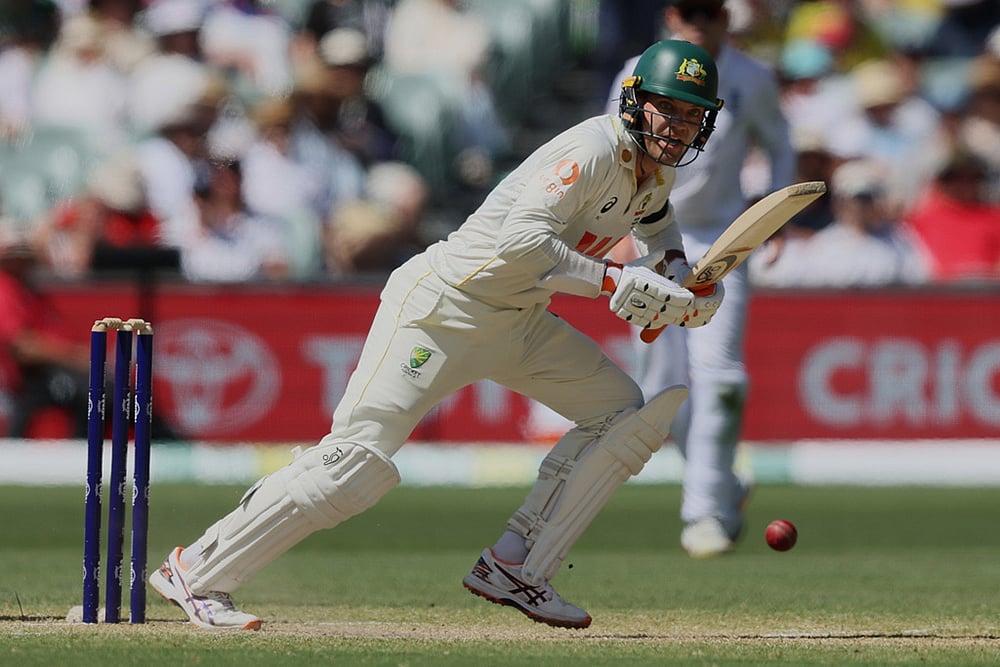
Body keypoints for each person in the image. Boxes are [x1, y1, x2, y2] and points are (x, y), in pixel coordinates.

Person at [148, 39, 726, 630]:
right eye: (668, 109)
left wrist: (681, 279)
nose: (679, 127)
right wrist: (614, 283)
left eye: (691, 115)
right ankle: (195, 572)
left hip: (518, 321)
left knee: (620, 414)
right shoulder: (593, 148)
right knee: (355, 462)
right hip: (443, 308)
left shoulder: (654, 174)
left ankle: (516, 564)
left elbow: (658, 229)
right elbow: (520, 242)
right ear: (635, 102)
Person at [605, 0, 795, 559]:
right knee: (661, 389)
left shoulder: (750, 77)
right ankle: (725, 486)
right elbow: (615, 147)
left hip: (721, 238)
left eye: (710, 14)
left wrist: (773, 218)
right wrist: (616, 224)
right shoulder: (637, 70)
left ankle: (704, 513)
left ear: (725, 20)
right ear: (670, 18)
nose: (700, 26)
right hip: (649, 236)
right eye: (690, 15)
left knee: (722, 376)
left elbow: (781, 145)